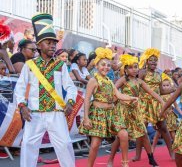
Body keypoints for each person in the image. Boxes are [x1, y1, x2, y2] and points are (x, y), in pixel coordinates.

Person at [15, 13, 77, 167]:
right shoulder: (30, 65)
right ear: (39, 45)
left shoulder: (60, 65)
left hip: (56, 113)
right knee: (28, 145)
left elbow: (70, 87)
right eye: (48, 43)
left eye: (54, 43)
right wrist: (22, 106)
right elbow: (20, 88)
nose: (52, 46)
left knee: (64, 145)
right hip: (34, 114)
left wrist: (70, 102)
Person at [79, 47, 137, 167]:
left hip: (112, 113)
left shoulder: (109, 81)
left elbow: (119, 94)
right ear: (97, 66)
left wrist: (131, 98)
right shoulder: (93, 81)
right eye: (103, 64)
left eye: (108, 65)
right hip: (98, 114)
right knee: (95, 145)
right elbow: (86, 99)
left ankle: (125, 163)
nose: (106, 67)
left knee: (124, 134)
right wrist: (86, 118)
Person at [107, 54, 160, 166]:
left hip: (135, 111)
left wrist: (163, 102)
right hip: (123, 110)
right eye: (131, 67)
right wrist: (117, 100)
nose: (134, 69)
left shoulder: (139, 82)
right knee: (120, 137)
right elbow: (113, 91)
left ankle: (151, 158)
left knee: (143, 133)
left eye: (136, 66)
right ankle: (110, 160)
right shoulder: (123, 80)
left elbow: (152, 92)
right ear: (125, 69)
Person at [135, 48, 175, 160]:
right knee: (141, 129)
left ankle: (171, 153)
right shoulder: (142, 73)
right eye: (151, 60)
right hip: (144, 104)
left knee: (163, 128)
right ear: (146, 61)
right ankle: (138, 155)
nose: (153, 62)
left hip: (156, 104)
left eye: (155, 60)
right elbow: (137, 88)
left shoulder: (159, 74)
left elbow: (161, 91)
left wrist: (173, 90)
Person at [152, 74, 182, 151]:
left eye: (167, 85)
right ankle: (152, 148)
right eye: (164, 85)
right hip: (162, 116)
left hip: (170, 116)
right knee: (158, 133)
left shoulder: (172, 95)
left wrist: (181, 114)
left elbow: (176, 106)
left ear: (170, 86)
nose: (165, 87)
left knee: (172, 133)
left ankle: (177, 148)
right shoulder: (159, 96)